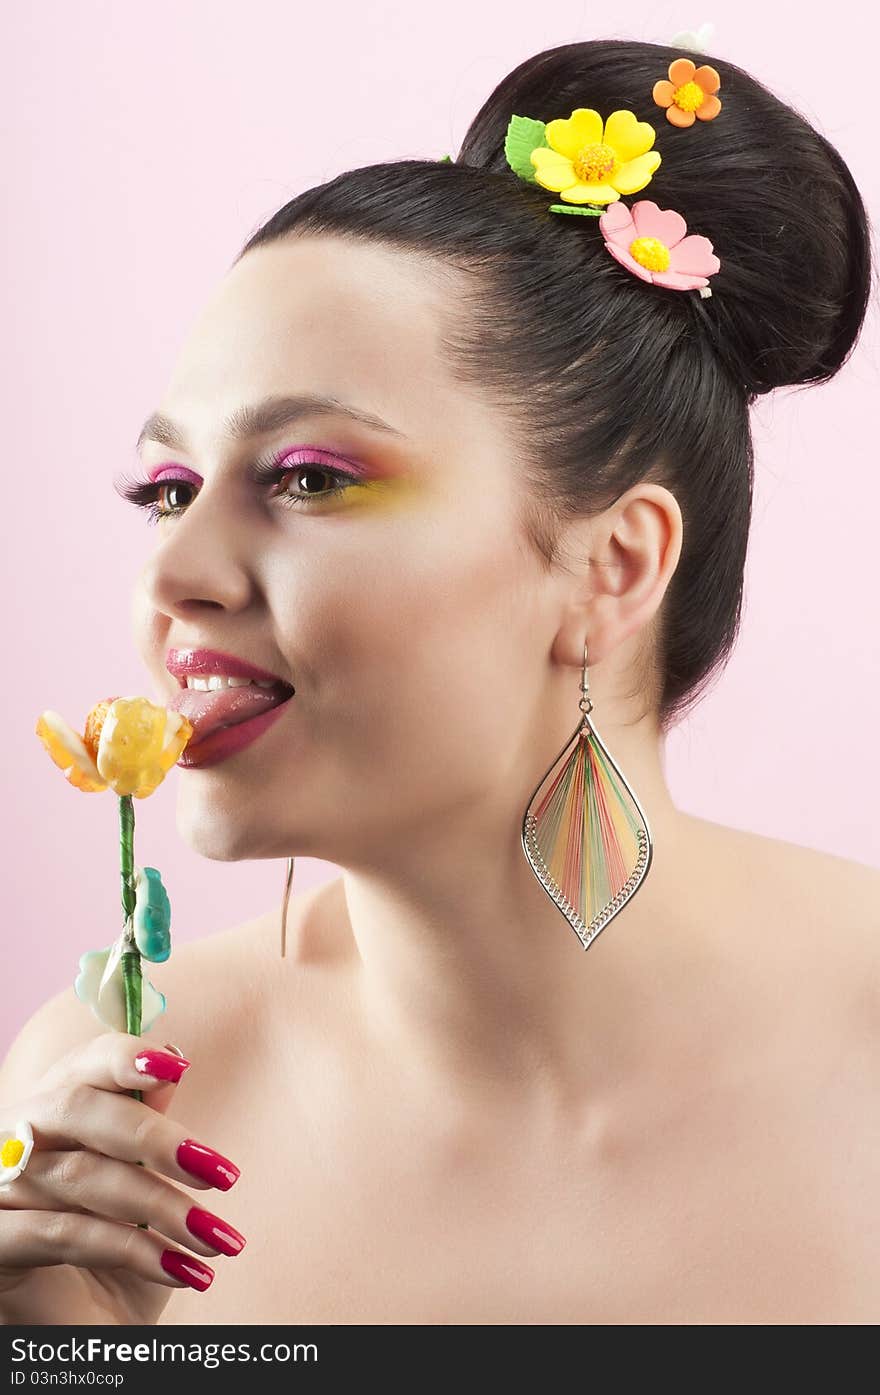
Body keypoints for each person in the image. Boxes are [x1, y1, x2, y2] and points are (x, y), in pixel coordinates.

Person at [2, 37, 878, 1326]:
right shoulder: (121, 1105)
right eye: (167, 491)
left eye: (309, 479)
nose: (174, 575)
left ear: (613, 566)